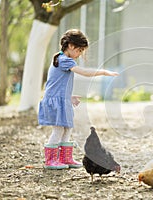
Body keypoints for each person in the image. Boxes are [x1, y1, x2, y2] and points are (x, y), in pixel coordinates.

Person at [38, 29, 119, 170]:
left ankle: (65, 158)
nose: (80, 54)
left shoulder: (62, 59)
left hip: (62, 100)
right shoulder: (64, 60)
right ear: (70, 46)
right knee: (58, 130)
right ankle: (50, 160)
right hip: (56, 102)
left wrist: (69, 97)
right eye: (79, 50)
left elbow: (57, 84)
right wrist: (103, 72)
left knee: (67, 128)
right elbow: (85, 73)